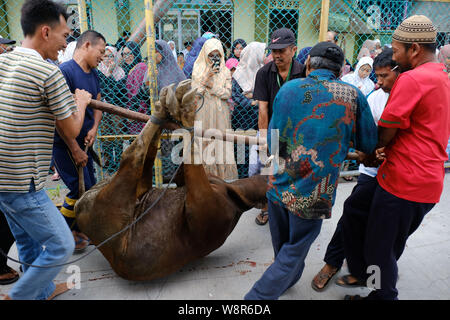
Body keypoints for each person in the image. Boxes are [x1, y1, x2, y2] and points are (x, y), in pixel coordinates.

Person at [244, 42, 378, 300]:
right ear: (340, 71)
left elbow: (272, 137)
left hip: (278, 186)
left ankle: (288, 278)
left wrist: (271, 179)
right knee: (292, 251)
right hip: (313, 194)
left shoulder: (288, 89)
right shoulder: (352, 96)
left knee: (283, 248)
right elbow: (369, 144)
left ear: (308, 64)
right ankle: (255, 299)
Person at [342, 15, 450, 300]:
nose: (393, 54)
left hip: (404, 183)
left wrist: (368, 152)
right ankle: (372, 276)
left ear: (414, 49)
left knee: (379, 251)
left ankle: (381, 295)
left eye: (397, 48)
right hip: (424, 181)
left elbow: (386, 131)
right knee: (359, 211)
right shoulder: (441, 75)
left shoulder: (413, 78)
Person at [0, 0, 92, 300]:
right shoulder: (47, 73)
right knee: (60, 245)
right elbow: (71, 130)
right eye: (65, 35)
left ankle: (43, 291)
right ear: (45, 32)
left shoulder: (4, 61)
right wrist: (81, 100)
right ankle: (21, 296)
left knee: (26, 242)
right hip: (21, 181)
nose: (67, 43)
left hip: (2, 177)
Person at [311, 47, 400, 292]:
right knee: (351, 215)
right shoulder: (374, 97)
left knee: (383, 237)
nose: (378, 82)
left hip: (398, 177)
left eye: (383, 76)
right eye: (376, 76)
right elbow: (364, 137)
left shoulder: (409, 94)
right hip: (373, 172)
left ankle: (374, 280)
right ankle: (333, 263)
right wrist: (371, 151)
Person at [53, 30, 106, 252]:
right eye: (101, 51)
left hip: (85, 143)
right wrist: (75, 149)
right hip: (66, 145)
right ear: (86, 45)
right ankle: (68, 234)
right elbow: (59, 119)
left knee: (89, 189)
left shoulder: (93, 74)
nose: (103, 57)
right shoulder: (65, 73)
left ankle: (82, 230)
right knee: (77, 190)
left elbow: (99, 104)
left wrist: (93, 128)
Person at [251, 28, 305, 225]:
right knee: (267, 169)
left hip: (297, 130)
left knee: (293, 171)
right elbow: (263, 110)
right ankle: (266, 207)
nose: (277, 55)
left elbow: (307, 105)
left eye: (282, 50)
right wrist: (265, 139)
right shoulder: (264, 73)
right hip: (271, 128)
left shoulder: (303, 72)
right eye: (274, 50)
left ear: (293, 50)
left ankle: (291, 207)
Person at [191, 38, 238, 181]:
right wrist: (207, 77)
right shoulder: (198, 69)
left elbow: (227, 93)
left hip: (221, 112)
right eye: (211, 55)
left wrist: (213, 87)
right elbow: (196, 94)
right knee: (205, 141)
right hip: (203, 111)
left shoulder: (225, 71)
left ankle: (225, 177)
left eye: (218, 55)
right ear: (205, 55)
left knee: (222, 142)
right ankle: (204, 177)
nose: (214, 59)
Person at [231, 42, 266, 178]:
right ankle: (243, 178)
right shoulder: (239, 73)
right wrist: (254, 101)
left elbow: (266, 94)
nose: (265, 55)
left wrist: (253, 96)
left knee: (260, 148)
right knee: (242, 150)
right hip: (242, 119)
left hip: (260, 117)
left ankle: (259, 179)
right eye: (262, 52)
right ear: (254, 54)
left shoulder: (264, 72)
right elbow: (236, 96)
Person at [98, 45, 128, 173]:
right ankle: (109, 161)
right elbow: (102, 90)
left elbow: (115, 92)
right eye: (105, 56)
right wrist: (108, 73)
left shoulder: (120, 72)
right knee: (106, 134)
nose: (108, 59)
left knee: (117, 133)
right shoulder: (98, 70)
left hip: (117, 108)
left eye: (111, 56)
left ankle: (119, 161)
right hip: (102, 108)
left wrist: (110, 73)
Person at [122, 41, 148, 134]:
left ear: (135, 53)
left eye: (129, 53)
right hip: (133, 112)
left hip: (139, 112)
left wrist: (133, 112)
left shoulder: (140, 67)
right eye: (124, 54)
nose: (126, 57)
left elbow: (137, 92)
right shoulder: (130, 69)